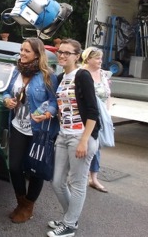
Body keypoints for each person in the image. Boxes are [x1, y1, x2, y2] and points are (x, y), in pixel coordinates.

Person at [2, 37, 59, 224]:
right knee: (15, 167)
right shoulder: (16, 72)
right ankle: (21, 201)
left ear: (37, 54)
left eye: (27, 51)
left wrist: (47, 113)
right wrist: (7, 100)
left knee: (35, 169)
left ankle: (27, 206)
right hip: (18, 126)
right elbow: (7, 91)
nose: (22, 53)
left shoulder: (47, 76)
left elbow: (54, 102)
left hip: (38, 129)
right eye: (22, 49)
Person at [47, 39, 100, 237]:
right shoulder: (61, 77)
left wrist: (84, 140)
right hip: (64, 134)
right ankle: (71, 218)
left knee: (77, 183)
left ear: (77, 56)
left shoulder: (82, 75)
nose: (62, 55)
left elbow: (93, 111)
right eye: (60, 52)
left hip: (81, 136)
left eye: (67, 53)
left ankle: (69, 225)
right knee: (57, 182)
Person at [82, 46, 112, 193]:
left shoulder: (103, 74)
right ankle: (80, 176)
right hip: (86, 116)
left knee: (97, 147)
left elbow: (108, 94)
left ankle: (93, 178)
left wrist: (107, 112)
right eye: (97, 58)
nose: (101, 61)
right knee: (85, 145)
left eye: (101, 58)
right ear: (88, 59)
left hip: (101, 116)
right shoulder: (82, 73)